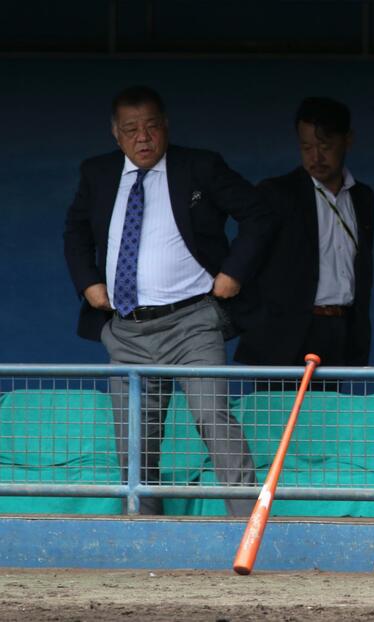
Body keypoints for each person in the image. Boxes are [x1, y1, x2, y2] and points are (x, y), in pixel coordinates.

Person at [63, 85, 272, 516]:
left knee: (213, 419)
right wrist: (87, 282)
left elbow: (259, 214)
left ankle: (250, 525)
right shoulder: (98, 173)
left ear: (166, 127)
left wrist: (233, 271)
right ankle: (143, 528)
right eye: (131, 130)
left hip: (192, 320)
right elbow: (75, 232)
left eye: (152, 127)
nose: (143, 138)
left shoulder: (198, 166)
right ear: (116, 135)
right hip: (126, 327)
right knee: (134, 436)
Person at [234, 97, 374, 370]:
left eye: (326, 146)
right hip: (281, 335)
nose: (316, 157)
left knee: (330, 411)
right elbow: (247, 257)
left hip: (340, 329)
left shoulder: (363, 197)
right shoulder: (276, 193)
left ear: (348, 140)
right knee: (277, 412)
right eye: (307, 147)